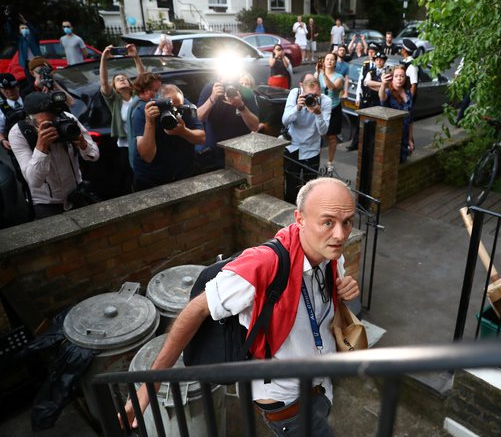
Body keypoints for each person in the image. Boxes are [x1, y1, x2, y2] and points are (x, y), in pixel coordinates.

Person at [123, 176, 360, 437]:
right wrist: (151, 383)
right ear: (300, 219)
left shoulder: (332, 259)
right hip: (288, 402)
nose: (340, 234)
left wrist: (342, 293)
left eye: (347, 222)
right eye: (328, 222)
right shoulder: (262, 264)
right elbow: (196, 309)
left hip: (322, 386)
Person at [8, 92, 99, 219]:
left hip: (76, 194)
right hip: (46, 203)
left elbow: (94, 155)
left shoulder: (67, 119)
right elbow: (34, 181)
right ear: (31, 121)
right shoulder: (18, 133)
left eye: (54, 120)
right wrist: (41, 147)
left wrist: (83, 145)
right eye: (47, 124)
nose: (54, 126)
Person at [131, 84, 205, 191]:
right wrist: (150, 123)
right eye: (169, 107)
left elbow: (201, 138)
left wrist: (183, 131)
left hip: (182, 173)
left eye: (178, 107)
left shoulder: (185, 107)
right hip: (151, 178)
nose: (175, 112)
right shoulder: (143, 112)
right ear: (158, 103)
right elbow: (147, 156)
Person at [99, 43, 145, 196]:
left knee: (143, 174)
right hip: (125, 145)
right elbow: (104, 82)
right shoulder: (114, 100)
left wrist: (136, 57)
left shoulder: (137, 98)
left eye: (124, 78)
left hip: (142, 142)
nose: (122, 80)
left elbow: (143, 77)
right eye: (118, 79)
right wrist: (104, 59)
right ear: (115, 87)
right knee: (128, 177)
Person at [195, 75, 260, 173]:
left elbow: (255, 126)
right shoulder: (211, 88)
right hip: (213, 153)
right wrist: (212, 98)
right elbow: (199, 117)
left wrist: (240, 106)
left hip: (239, 153)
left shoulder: (245, 92)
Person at [282, 75, 331, 204]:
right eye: (309, 95)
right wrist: (297, 108)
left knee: (310, 190)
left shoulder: (325, 101)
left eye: (315, 95)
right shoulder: (295, 94)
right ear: (302, 89)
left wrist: (318, 114)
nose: (312, 98)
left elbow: (323, 132)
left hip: (312, 149)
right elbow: (285, 121)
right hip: (293, 147)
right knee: (291, 187)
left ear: (319, 92)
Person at [126, 72, 162, 172]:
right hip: (146, 166)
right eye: (156, 90)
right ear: (146, 91)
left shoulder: (136, 102)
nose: (160, 94)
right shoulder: (142, 108)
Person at [379, 65, 414, 163]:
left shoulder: (408, 94)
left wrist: (410, 140)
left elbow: (411, 119)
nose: (399, 78)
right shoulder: (388, 92)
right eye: (396, 76)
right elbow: (382, 97)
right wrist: (383, 84)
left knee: (403, 162)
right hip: (392, 136)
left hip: (405, 136)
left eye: (402, 76)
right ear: (392, 78)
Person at [315, 53, 344, 175]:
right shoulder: (318, 74)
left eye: (332, 59)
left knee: (332, 137)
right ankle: (315, 160)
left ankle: (330, 162)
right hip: (320, 109)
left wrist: (323, 74)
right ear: (324, 61)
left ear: (335, 63)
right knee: (318, 135)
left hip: (334, 109)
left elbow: (331, 87)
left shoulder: (339, 77)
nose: (329, 61)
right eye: (327, 59)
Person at [0, 73, 24, 150]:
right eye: (5, 89)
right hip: (17, 146)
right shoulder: (1, 109)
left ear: (18, 86)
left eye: (12, 88)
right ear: (1, 90)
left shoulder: (29, 100)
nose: (9, 91)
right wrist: (3, 140)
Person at [15, 15, 40, 86]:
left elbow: (35, 32)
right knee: (31, 83)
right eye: (22, 28)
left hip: (36, 62)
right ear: (20, 31)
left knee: (39, 81)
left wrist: (26, 22)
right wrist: (8, 18)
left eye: (26, 28)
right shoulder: (20, 40)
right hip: (27, 64)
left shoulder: (33, 38)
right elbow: (9, 32)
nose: (24, 29)